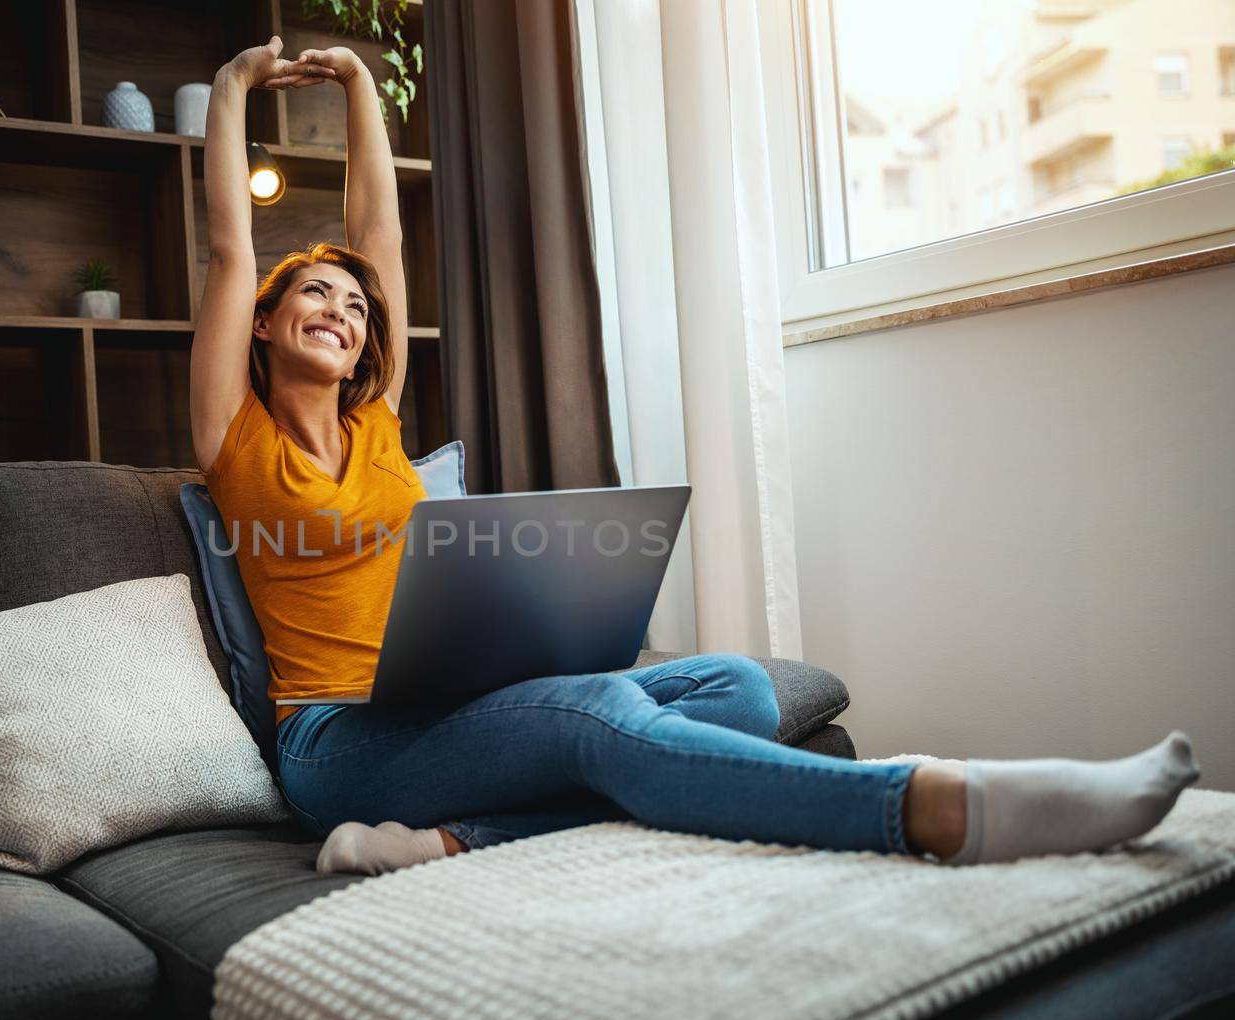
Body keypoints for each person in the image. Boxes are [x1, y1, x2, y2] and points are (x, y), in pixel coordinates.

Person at [190, 37, 1201, 877]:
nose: (342, 309)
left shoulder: (382, 425)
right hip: (338, 741)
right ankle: (935, 802)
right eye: (313, 294)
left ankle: (457, 841)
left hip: (449, 709)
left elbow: (383, 237)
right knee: (602, 707)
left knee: (742, 689)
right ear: (267, 324)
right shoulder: (235, 438)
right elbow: (231, 247)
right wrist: (233, 90)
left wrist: (364, 86)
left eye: (355, 305)